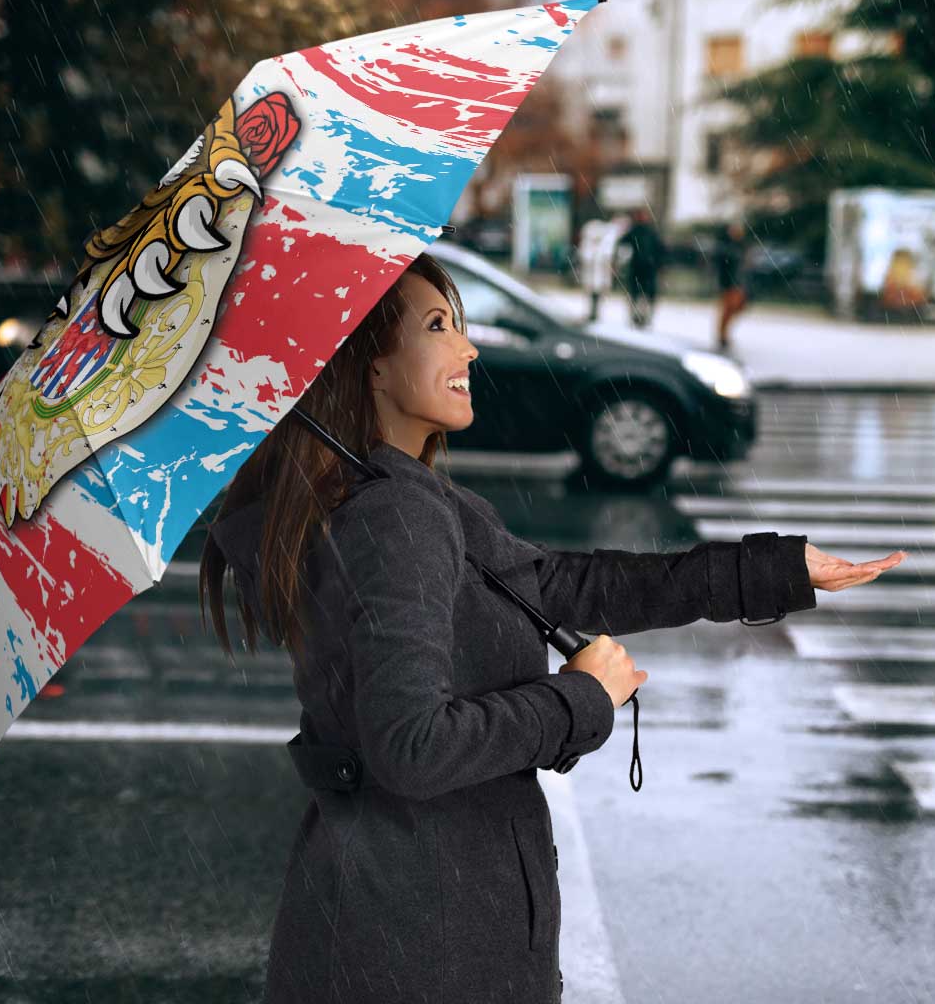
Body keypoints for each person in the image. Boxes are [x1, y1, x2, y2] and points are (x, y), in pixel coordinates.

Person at [200, 251, 897, 1004]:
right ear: (370, 365)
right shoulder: (393, 517)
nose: (468, 348)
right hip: (422, 944)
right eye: (438, 326)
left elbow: (563, 585)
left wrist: (774, 571)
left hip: (400, 924)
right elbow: (411, 748)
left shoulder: (399, 497)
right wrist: (580, 699)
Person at [616, 206, 666, 329]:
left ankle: (643, 317)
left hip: (647, 268)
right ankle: (637, 317)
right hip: (639, 268)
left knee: (644, 295)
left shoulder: (649, 232)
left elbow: (660, 250)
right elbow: (622, 244)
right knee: (637, 294)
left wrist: (659, 264)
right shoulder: (636, 231)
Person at [714, 219, 750, 350]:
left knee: (736, 308)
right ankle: (722, 335)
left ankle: (723, 334)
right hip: (729, 283)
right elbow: (723, 266)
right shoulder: (726, 247)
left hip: (738, 283)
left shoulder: (741, 246)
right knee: (728, 309)